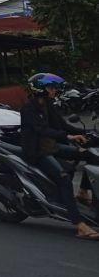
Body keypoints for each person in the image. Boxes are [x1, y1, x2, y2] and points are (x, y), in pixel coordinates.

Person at [21, 73, 98, 240]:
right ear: (40, 90)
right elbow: (41, 130)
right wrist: (68, 137)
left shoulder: (48, 105)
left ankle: (83, 192)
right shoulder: (28, 108)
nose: (54, 90)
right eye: (50, 88)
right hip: (37, 151)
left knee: (90, 155)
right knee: (63, 177)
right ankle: (79, 225)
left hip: (51, 146)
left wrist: (86, 132)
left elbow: (62, 125)